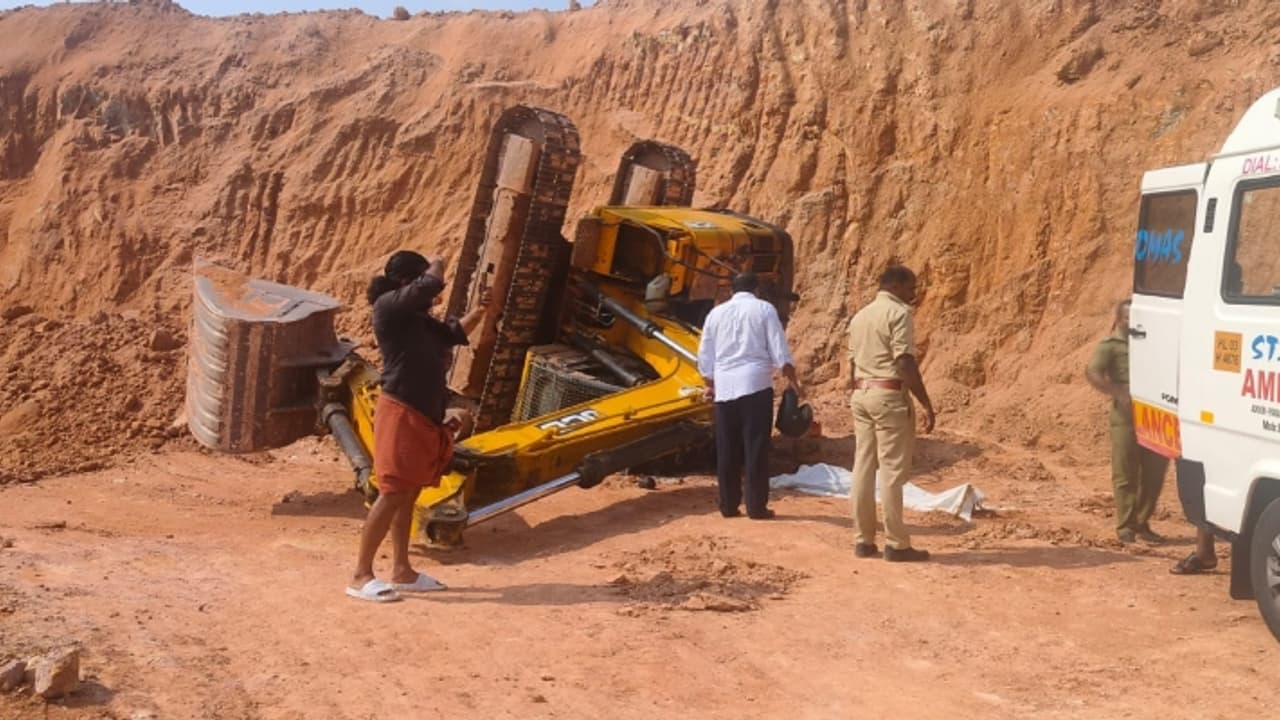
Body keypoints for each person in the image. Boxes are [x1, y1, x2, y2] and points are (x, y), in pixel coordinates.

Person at [347, 250, 484, 603]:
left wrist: (484, 310)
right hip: (401, 410)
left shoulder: (417, 320)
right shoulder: (389, 308)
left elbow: (452, 334)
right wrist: (440, 259)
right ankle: (361, 575)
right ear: (407, 282)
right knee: (393, 491)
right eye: (422, 281)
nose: (435, 295)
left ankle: (402, 571)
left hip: (422, 413)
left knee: (408, 492)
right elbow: (432, 282)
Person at [847, 265, 935, 562]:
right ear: (896, 286)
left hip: (861, 393)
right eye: (911, 287)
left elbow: (850, 364)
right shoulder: (899, 314)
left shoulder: (860, 316)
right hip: (888, 394)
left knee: (863, 466)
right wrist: (924, 402)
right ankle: (896, 543)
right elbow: (904, 362)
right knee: (891, 471)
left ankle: (863, 540)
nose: (914, 294)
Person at [697, 271, 799, 520]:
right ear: (756, 290)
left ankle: (728, 505)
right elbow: (779, 349)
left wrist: (710, 384)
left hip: (725, 388)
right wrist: (793, 380)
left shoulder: (716, 314)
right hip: (755, 385)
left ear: (732, 290)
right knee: (756, 447)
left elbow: (705, 354)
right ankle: (756, 507)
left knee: (727, 448)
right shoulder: (764, 309)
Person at [1086, 299, 1167, 545]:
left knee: (1155, 471)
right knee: (1126, 472)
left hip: (1155, 414)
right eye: (1130, 318)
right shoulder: (1110, 345)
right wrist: (1119, 394)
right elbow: (1093, 372)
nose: (1134, 322)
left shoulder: (1152, 343)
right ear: (1120, 320)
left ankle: (1142, 522)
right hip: (1126, 416)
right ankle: (1125, 526)